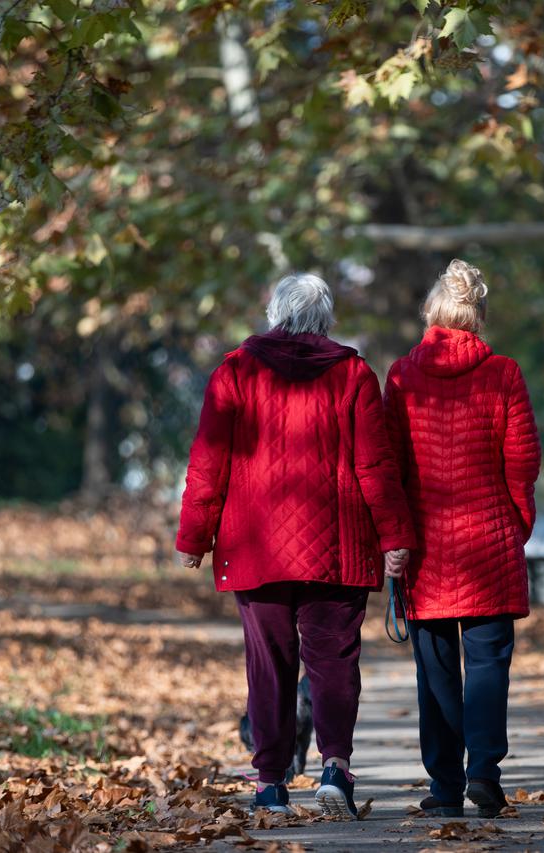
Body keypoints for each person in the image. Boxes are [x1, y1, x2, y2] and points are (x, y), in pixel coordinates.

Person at [175, 272, 415, 817]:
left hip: (257, 548)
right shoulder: (353, 375)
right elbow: (375, 466)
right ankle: (334, 768)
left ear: (274, 313)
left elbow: (208, 462)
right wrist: (394, 537)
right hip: (338, 547)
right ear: (325, 318)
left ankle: (269, 783)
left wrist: (193, 537)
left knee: (269, 665)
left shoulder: (234, 371)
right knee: (332, 663)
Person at [383, 259, 542, 818]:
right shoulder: (504, 374)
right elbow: (522, 461)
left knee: (435, 673)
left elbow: (390, 466)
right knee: (490, 665)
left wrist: (396, 536)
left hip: (426, 549)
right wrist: (517, 521)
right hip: (489, 544)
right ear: (477, 316)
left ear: (433, 313)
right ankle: (485, 774)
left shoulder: (402, 376)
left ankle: (446, 787)